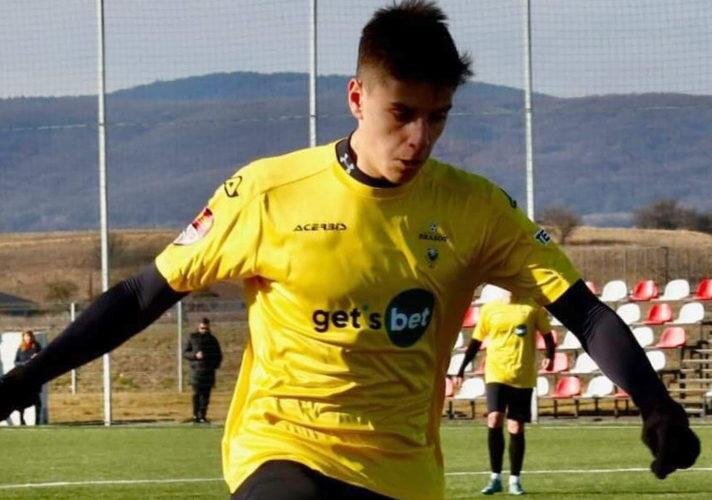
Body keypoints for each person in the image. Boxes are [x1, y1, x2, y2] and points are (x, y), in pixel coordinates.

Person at [0, 2, 700, 499]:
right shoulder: (267, 192)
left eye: (438, 117)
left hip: (402, 471)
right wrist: (35, 372)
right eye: (403, 114)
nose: (420, 138)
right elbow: (143, 295)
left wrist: (656, 404)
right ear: (358, 97)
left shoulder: (477, 209)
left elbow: (583, 312)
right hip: (282, 446)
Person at [454, 288, 555, 495]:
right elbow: (476, 342)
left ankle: (515, 480)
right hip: (496, 373)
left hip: (522, 375)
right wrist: (461, 368)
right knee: (494, 418)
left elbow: (548, 337)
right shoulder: (489, 309)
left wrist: (550, 356)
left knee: (516, 426)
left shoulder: (532, 307)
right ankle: (495, 478)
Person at [183, 317, 223, 423]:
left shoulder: (212, 339)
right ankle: (195, 415)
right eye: (202, 328)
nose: (204, 330)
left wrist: (214, 365)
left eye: (206, 328)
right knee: (196, 393)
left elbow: (218, 355)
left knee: (206, 395)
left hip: (209, 371)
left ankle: (202, 416)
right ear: (199, 326)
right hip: (196, 371)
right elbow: (185, 353)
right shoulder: (192, 337)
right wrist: (195, 355)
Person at [13, 330, 43, 425]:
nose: (28, 338)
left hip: (34, 376)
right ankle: (21, 420)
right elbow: (16, 362)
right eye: (26, 336)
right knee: (22, 400)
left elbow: (43, 358)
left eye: (29, 336)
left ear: (32, 337)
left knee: (37, 400)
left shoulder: (37, 346)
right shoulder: (20, 348)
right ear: (23, 337)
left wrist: (37, 357)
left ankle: (37, 420)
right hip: (23, 377)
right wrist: (24, 364)